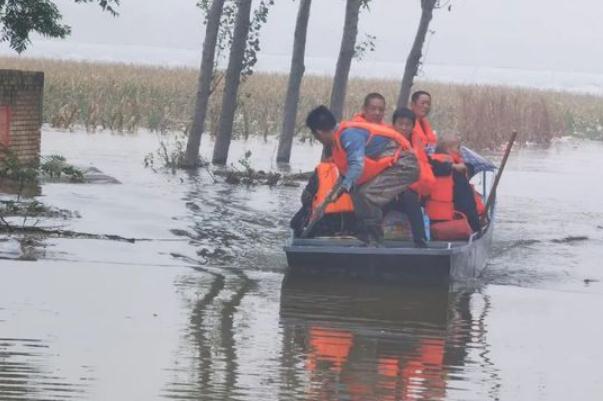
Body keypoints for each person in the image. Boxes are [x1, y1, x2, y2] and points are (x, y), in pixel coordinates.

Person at [305, 105, 419, 245]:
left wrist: (342, 189)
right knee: (357, 192)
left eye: (316, 137)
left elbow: (357, 166)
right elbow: (344, 175)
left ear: (319, 132)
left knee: (366, 194)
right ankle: (368, 236)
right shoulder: (337, 143)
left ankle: (374, 239)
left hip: (405, 164)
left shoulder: (349, 136)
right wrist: (324, 203)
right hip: (390, 165)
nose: (318, 140)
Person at [390, 107, 436, 245]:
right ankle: (371, 237)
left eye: (408, 124)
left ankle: (420, 238)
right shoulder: (385, 141)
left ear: (412, 126)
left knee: (410, 196)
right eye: (400, 124)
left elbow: (421, 170)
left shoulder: (417, 145)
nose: (404, 127)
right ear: (394, 125)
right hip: (388, 189)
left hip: (411, 191)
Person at [427, 135, 482, 233]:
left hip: (433, 220)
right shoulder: (456, 171)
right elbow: (466, 204)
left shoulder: (430, 164)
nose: (460, 151)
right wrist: (477, 226)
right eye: (458, 148)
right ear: (448, 150)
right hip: (456, 221)